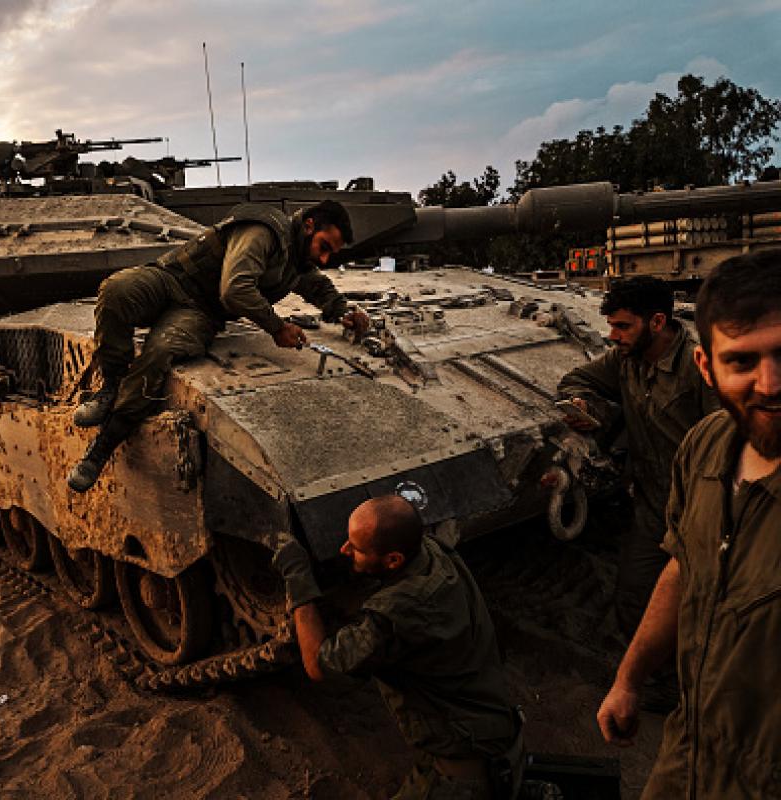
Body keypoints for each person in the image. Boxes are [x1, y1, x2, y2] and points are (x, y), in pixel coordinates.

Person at [595, 249, 781, 798]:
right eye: (743, 361)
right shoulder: (704, 448)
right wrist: (628, 680)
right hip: (690, 743)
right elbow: (685, 564)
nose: (770, 384)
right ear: (708, 365)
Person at [67, 199, 371, 492]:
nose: (325, 259)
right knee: (117, 290)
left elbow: (315, 284)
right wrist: (277, 327)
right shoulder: (264, 233)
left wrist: (343, 311)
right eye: (324, 247)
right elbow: (235, 290)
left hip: (199, 310)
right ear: (308, 226)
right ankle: (111, 386)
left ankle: (101, 448)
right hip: (170, 278)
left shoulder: (296, 258)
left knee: (161, 352)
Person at [273, 496, 524, 799]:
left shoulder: (398, 614)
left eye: (357, 548)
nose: (344, 550)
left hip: (466, 774)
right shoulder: (431, 550)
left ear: (393, 560)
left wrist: (298, 579)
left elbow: (318, 665)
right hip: (492, 737)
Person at [556, 276, 717, 707]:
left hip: (704, 505)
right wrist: (585, 406)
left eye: (623, 326)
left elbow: (731, 441)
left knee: (709, 606)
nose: (614, 336)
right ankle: (661, 683)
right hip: (651, 504)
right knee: (635, 597)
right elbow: (575, 379)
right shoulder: (626, 359)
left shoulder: (700, 365)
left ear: (658, 321)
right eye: (611, 326)